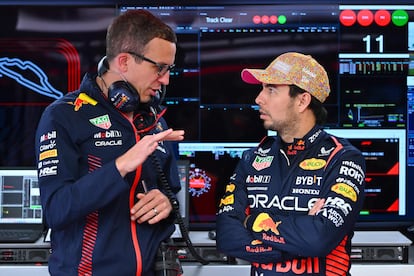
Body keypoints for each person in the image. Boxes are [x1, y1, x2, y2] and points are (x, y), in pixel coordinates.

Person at [35, 10, 185, 276]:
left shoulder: (153, 120)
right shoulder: (64, 115)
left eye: (169, 69)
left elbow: (171, 194)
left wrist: (166, 202)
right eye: (159, 68)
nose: (165, 79)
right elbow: (57, 210)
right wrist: (121, 165)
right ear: (125, 61)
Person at [216, 52, 366, 276]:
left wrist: (251, 221)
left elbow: (318, 239)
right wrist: (300, 240)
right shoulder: (252, 159)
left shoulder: (343, 159)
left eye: (271, 90)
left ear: (302, 101)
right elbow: (227, 237)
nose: (259, 99)